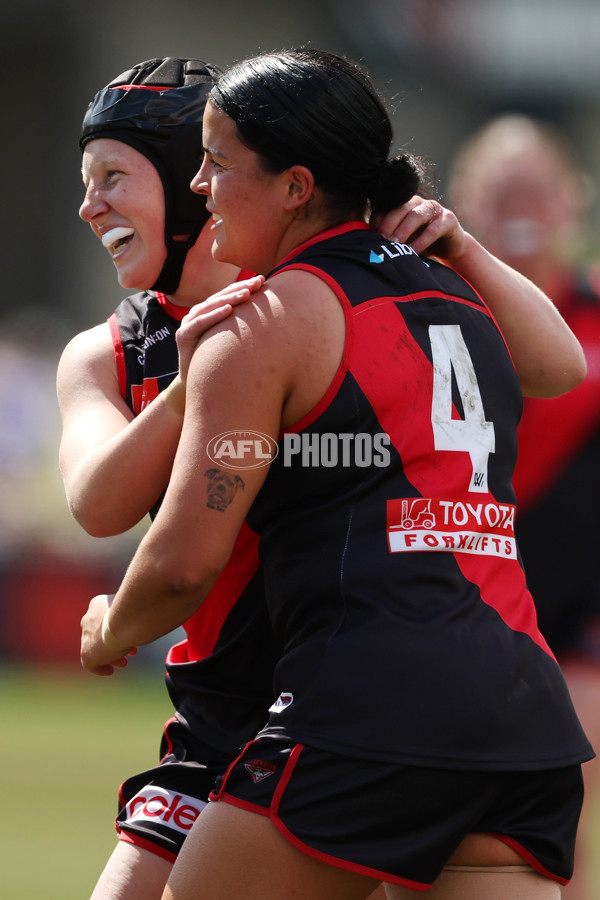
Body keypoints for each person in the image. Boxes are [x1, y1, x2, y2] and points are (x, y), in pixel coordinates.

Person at [79, 49, 592, 899]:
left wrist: (110, 630)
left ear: (293, 186)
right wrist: (460, 243)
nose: (203, 185)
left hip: (372, 707)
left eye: (220, 163)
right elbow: (556, 361)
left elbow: (180, 563)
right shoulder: (462, 293)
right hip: (519, 719)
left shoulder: (266, 320)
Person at [57, 57, 282, 900]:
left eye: (114, 176)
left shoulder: (313, 302)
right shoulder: (106, 352)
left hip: (351, 714)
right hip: (217, 721)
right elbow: (99, 501)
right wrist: (195, 382)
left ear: (197, 182)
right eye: (86, 182)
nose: (90, 206)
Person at [447, 113, 600, 900]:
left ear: (572, 203)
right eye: (503, 191)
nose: (522, 207)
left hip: (573, 614)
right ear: (465, 200)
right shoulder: (430, 311)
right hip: (452, 601)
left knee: (554, 805)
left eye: (537, 191)